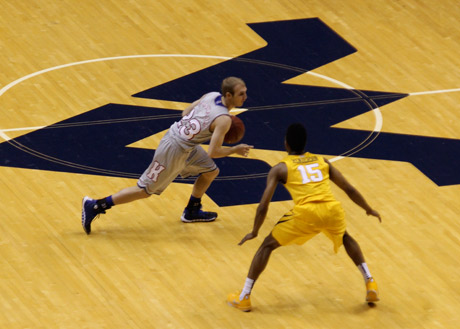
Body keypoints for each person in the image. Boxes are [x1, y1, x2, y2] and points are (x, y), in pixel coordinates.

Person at [227, 123, 381, 312]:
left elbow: (263, 206)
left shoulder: (280, 169)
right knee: (345, 237)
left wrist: (254, 231)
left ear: (286, 144)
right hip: (332, 209)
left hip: (306, 213)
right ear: (305, 143)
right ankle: (370, 282)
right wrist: (368, 208)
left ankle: (244, 297)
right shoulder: (322, 160)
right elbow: (348, 188)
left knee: (267, 245)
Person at [82, 77, 253, 234]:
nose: (245, 97)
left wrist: (201, 125)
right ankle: (96, 205)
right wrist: (234, 149)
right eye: (241, 94)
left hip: (184, 143)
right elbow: (213, 152)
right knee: (144, 190)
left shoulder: (211, 95)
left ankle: (192, 210)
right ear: (229, 95)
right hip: (174, 150)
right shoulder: (224, 120)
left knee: (210, 171)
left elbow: (185, 113)